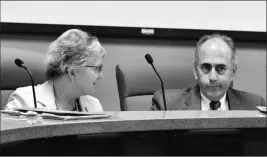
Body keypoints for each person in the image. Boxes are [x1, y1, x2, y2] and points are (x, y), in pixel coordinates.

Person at [150, 33, 265, 111]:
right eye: (206, 67)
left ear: (233, 72)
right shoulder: (167, 105)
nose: (213, 77)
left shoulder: (254, 105)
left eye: (220, 68)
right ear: (195, 71)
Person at [5, 29, 106, 112]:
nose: (101, 75)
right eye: (97, 69)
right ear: (72, 72)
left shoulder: (94, 106)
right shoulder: (24, 102)